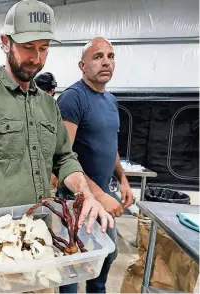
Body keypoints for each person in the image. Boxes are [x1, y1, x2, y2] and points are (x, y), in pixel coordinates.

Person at [0, 0, 114, 262]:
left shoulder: (48, 105)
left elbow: (64, 159)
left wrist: (86, 194)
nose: (36, 58)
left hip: (40, 235)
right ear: (5, 42)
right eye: (28, 47)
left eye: (44, 48)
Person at [57, 37, 134, 293]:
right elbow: (63, 156)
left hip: (104, 192)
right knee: (73, 266)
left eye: (110, 56)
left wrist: (123, 180)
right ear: (82, 65)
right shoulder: (72, 98)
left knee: (106, 259)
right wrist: (99, 196)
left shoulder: (111, 101)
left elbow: (110, 146)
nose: (106, 62)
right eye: (98, 56)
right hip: (75, 198)